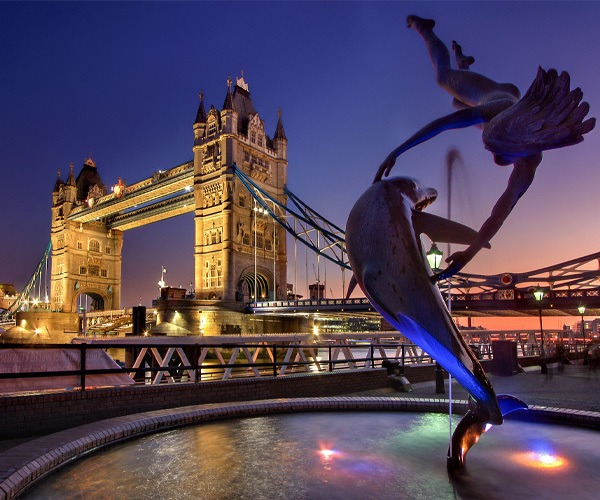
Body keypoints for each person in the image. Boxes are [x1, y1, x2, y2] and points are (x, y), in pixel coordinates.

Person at [375, 16, 595, 280]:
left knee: (458, 103)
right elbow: (443, 125)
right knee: (444, 78)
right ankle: (426, 28)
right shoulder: (495, 111)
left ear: (519, 150)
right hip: (493, 95)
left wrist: (470, 253)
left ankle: (463, 63)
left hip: (501, 107)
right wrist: (397, 151)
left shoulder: (528, 164)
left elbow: (499, 214)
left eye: (498, 154)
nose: (494, 160)